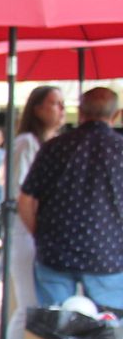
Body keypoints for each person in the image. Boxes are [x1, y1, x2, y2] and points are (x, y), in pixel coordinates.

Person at [18, 86, 123, 309]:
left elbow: (25, 200)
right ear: (116, 115)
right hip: (108, 254)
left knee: (55, 327)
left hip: (55, 252)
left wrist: (39, 234)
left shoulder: (53, 148)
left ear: (81, 113)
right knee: (110, 330)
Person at [5, 87, 64, 339]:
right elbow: (23, 193)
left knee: (32, 302)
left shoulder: (46, 143)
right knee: (30, 301)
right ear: (38, 108)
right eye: (54, 104)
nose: (61, 109)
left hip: (37, 230)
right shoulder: (27, 143)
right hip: (27, 230)